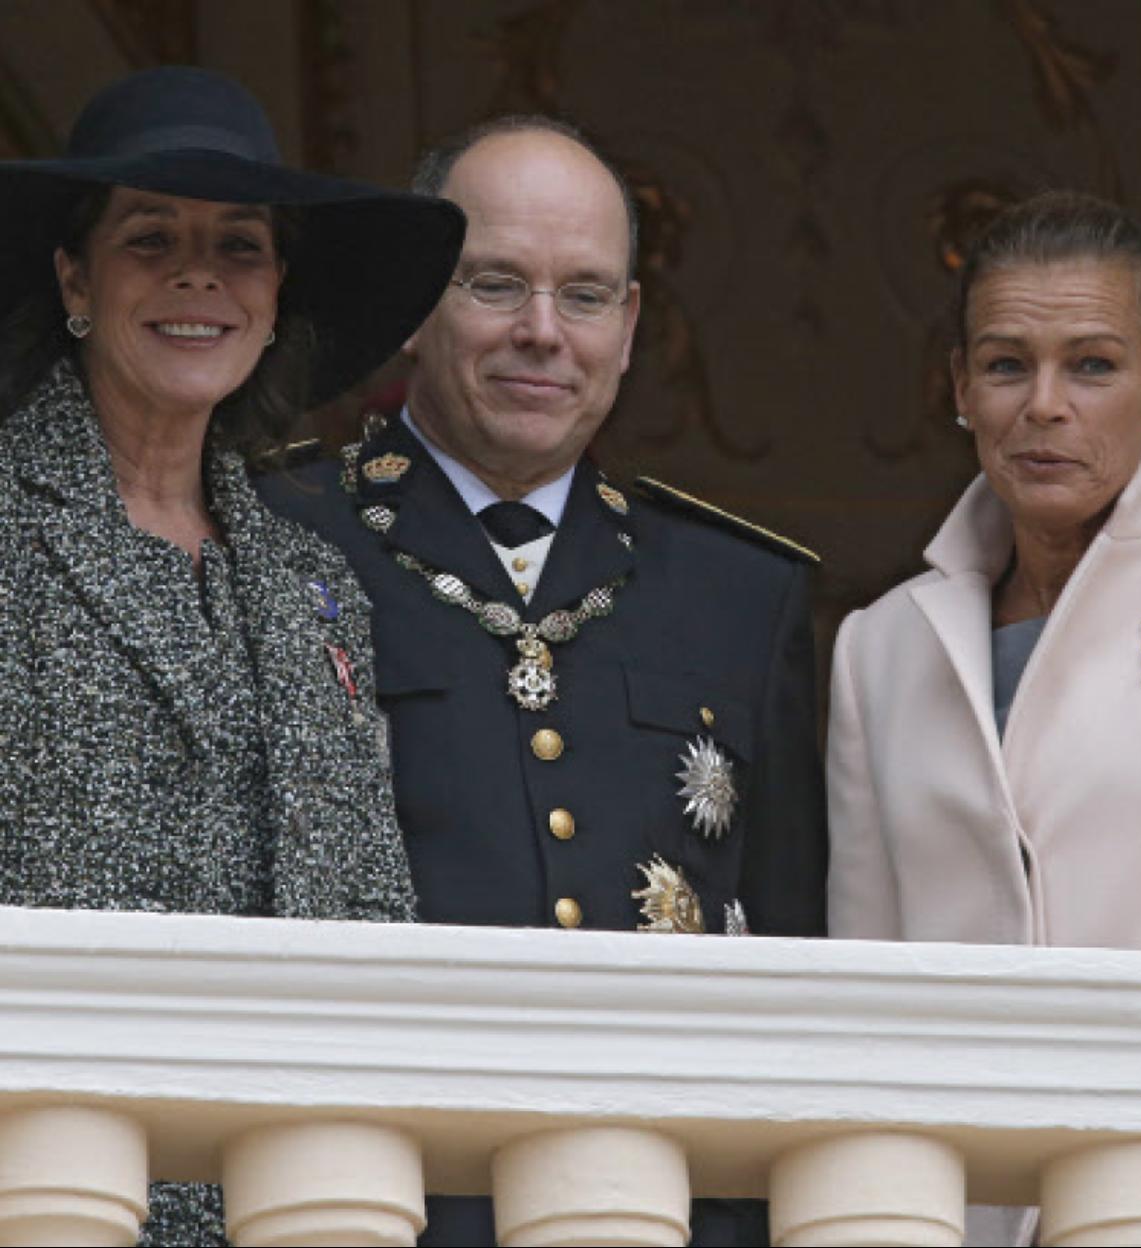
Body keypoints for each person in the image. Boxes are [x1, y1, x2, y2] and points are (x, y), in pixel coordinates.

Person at [260, 115, 827, 1245]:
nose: (540, 334)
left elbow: (798, 979)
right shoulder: (280, 536)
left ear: (627, 328)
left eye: (583, 295)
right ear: (418, 307)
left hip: (668, 1208)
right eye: (496, 285)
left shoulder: (739, 593)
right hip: (369, 1202)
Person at [0, 66, 463, 1246]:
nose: (198, 276)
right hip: (49, 1187)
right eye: (151, 238)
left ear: (272, 300)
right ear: (75, 280)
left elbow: (374, 917)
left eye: (240, 247)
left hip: (293, 1201)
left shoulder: (313, 587)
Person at [826, 189, 1141, 952]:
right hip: (953, 1073)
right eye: (1007, 365)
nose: (1044, 404)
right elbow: (867, 969)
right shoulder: (879, 648)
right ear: (962, 388)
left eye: (1092, 365)